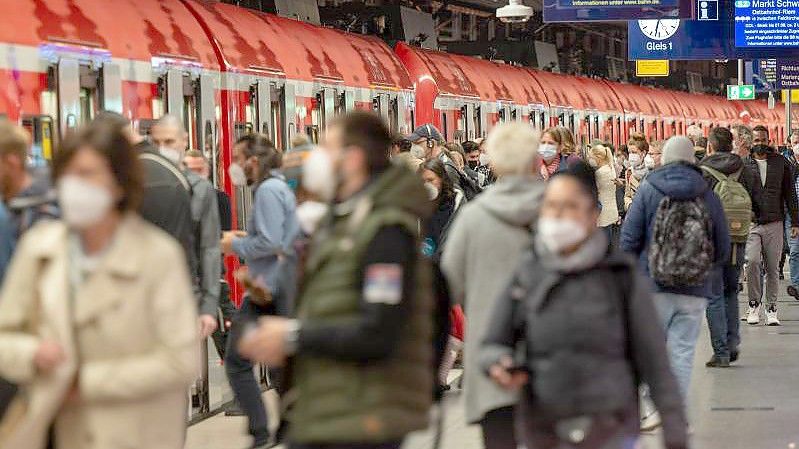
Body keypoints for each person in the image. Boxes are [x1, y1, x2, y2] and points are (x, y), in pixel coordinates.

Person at [239, 112, 434, 449]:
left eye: (327, 147)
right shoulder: (342, 221)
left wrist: (292, 335)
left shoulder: (386, 231)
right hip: (332, 405)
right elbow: (332, 302)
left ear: (353, 158)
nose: (317, 159)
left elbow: (380, 330)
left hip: (365, 414)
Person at [0, 121, 198, 449]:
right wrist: (32, 354)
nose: (74, 186)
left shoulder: (157, 257)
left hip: (134, 434)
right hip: (53, 430)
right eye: (67, 175)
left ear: (119, 183)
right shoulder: (40, 249)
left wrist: (84, 382)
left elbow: (181, 360)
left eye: (87, 174)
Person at [481, 161, 687, 449]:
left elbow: (655, 361)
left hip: (610, 427)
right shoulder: (528, 272)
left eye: (570, 206)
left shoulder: (620, 277)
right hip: (544, 428)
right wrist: (498, 363)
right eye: (551, 206)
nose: (558, 216)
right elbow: (492, 343)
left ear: (593, 215)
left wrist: (675, 431)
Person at [441, 122, 544, 449]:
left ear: (494, 163)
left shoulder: (474, 218)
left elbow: (448, 287)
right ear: (534, 161)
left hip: (493, 357)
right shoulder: (563, 212)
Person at [620, 136, 730, 425]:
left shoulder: (648, 189)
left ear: (664, 158)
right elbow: (723, 243)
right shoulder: (707, 192)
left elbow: (629, 238)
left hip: (652, 284)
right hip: (694, 288)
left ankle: (650, 406)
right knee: (681, 351)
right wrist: (707, 270)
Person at [219, 133, 299, 449]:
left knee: (238, 361)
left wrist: (233, 244)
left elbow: (272, 242)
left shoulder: (267, 191)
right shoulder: (278, 187)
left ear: (254, 161)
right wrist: (246, 236)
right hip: (276, 287)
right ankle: (288, 427)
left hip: (268, 289)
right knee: (280, 365)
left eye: (238, 159)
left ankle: (261, 431)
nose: (235, 166)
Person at [150, 115, 221, 338]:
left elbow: (209, 247)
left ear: (184, 140)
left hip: (184, 293)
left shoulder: (201, 189)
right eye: (156, 143)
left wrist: (209, 304)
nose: (162, 149)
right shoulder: (141, 184)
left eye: (169, 142)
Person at [699, 127, 756, 367]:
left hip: (710, 239)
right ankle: (732, 345)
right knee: (731, 291)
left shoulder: (702, 172)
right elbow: (757, 202)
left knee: (713, 295)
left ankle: (720, 352)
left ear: (710, 146)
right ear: (732, 144)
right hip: (737, 238)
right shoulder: (744, 169)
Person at [743, 131, 799, 326]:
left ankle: (772, 307)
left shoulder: (780, 163)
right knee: (752, 262)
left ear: (769, 141)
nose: (760, 143)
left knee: (773, 268)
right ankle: (753, 304)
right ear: (752, 141)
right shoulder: (744, 164)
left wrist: (795, 222)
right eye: (756, 140)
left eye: (763, 140)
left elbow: (789, 193)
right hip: (751, 223)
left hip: (775, 222)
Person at [588, 144, 620, 239]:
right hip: (611, 211)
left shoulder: (600, 173)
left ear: (598, 158)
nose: (590, 160)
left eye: (591, 157)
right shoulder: (610, 168)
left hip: (602, 214)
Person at [623, 133, 650, 210]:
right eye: (629, 152)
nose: (631, 156)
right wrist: (629, 205)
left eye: (634, 152)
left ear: (643, 153)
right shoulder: (629, 172)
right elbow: (627, 196)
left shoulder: (652, 171)